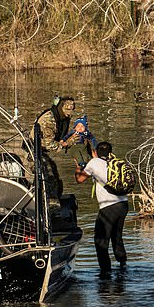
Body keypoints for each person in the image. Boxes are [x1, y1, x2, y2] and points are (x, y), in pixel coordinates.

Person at [74, 141, 128, 275]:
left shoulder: (94, 163)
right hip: (123, 204)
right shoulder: (115, 162)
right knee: (117, 237)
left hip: (108, 207)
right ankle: (123, 267)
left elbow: (80, 179)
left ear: (96, 152)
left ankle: (105, 273)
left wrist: (77, 168)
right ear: (110, 152)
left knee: (101, 241)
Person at [30, 96, 76, 199]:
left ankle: (50, 201)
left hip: (41, 152)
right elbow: (49, 144)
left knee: (54, 176)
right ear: (61, 107)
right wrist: (67, 143)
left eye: (72, 109)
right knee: (50, 181)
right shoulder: (49, 120)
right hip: (33, 152)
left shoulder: (62, 118)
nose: (70, 112)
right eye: (67, 109)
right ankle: (48, 203)